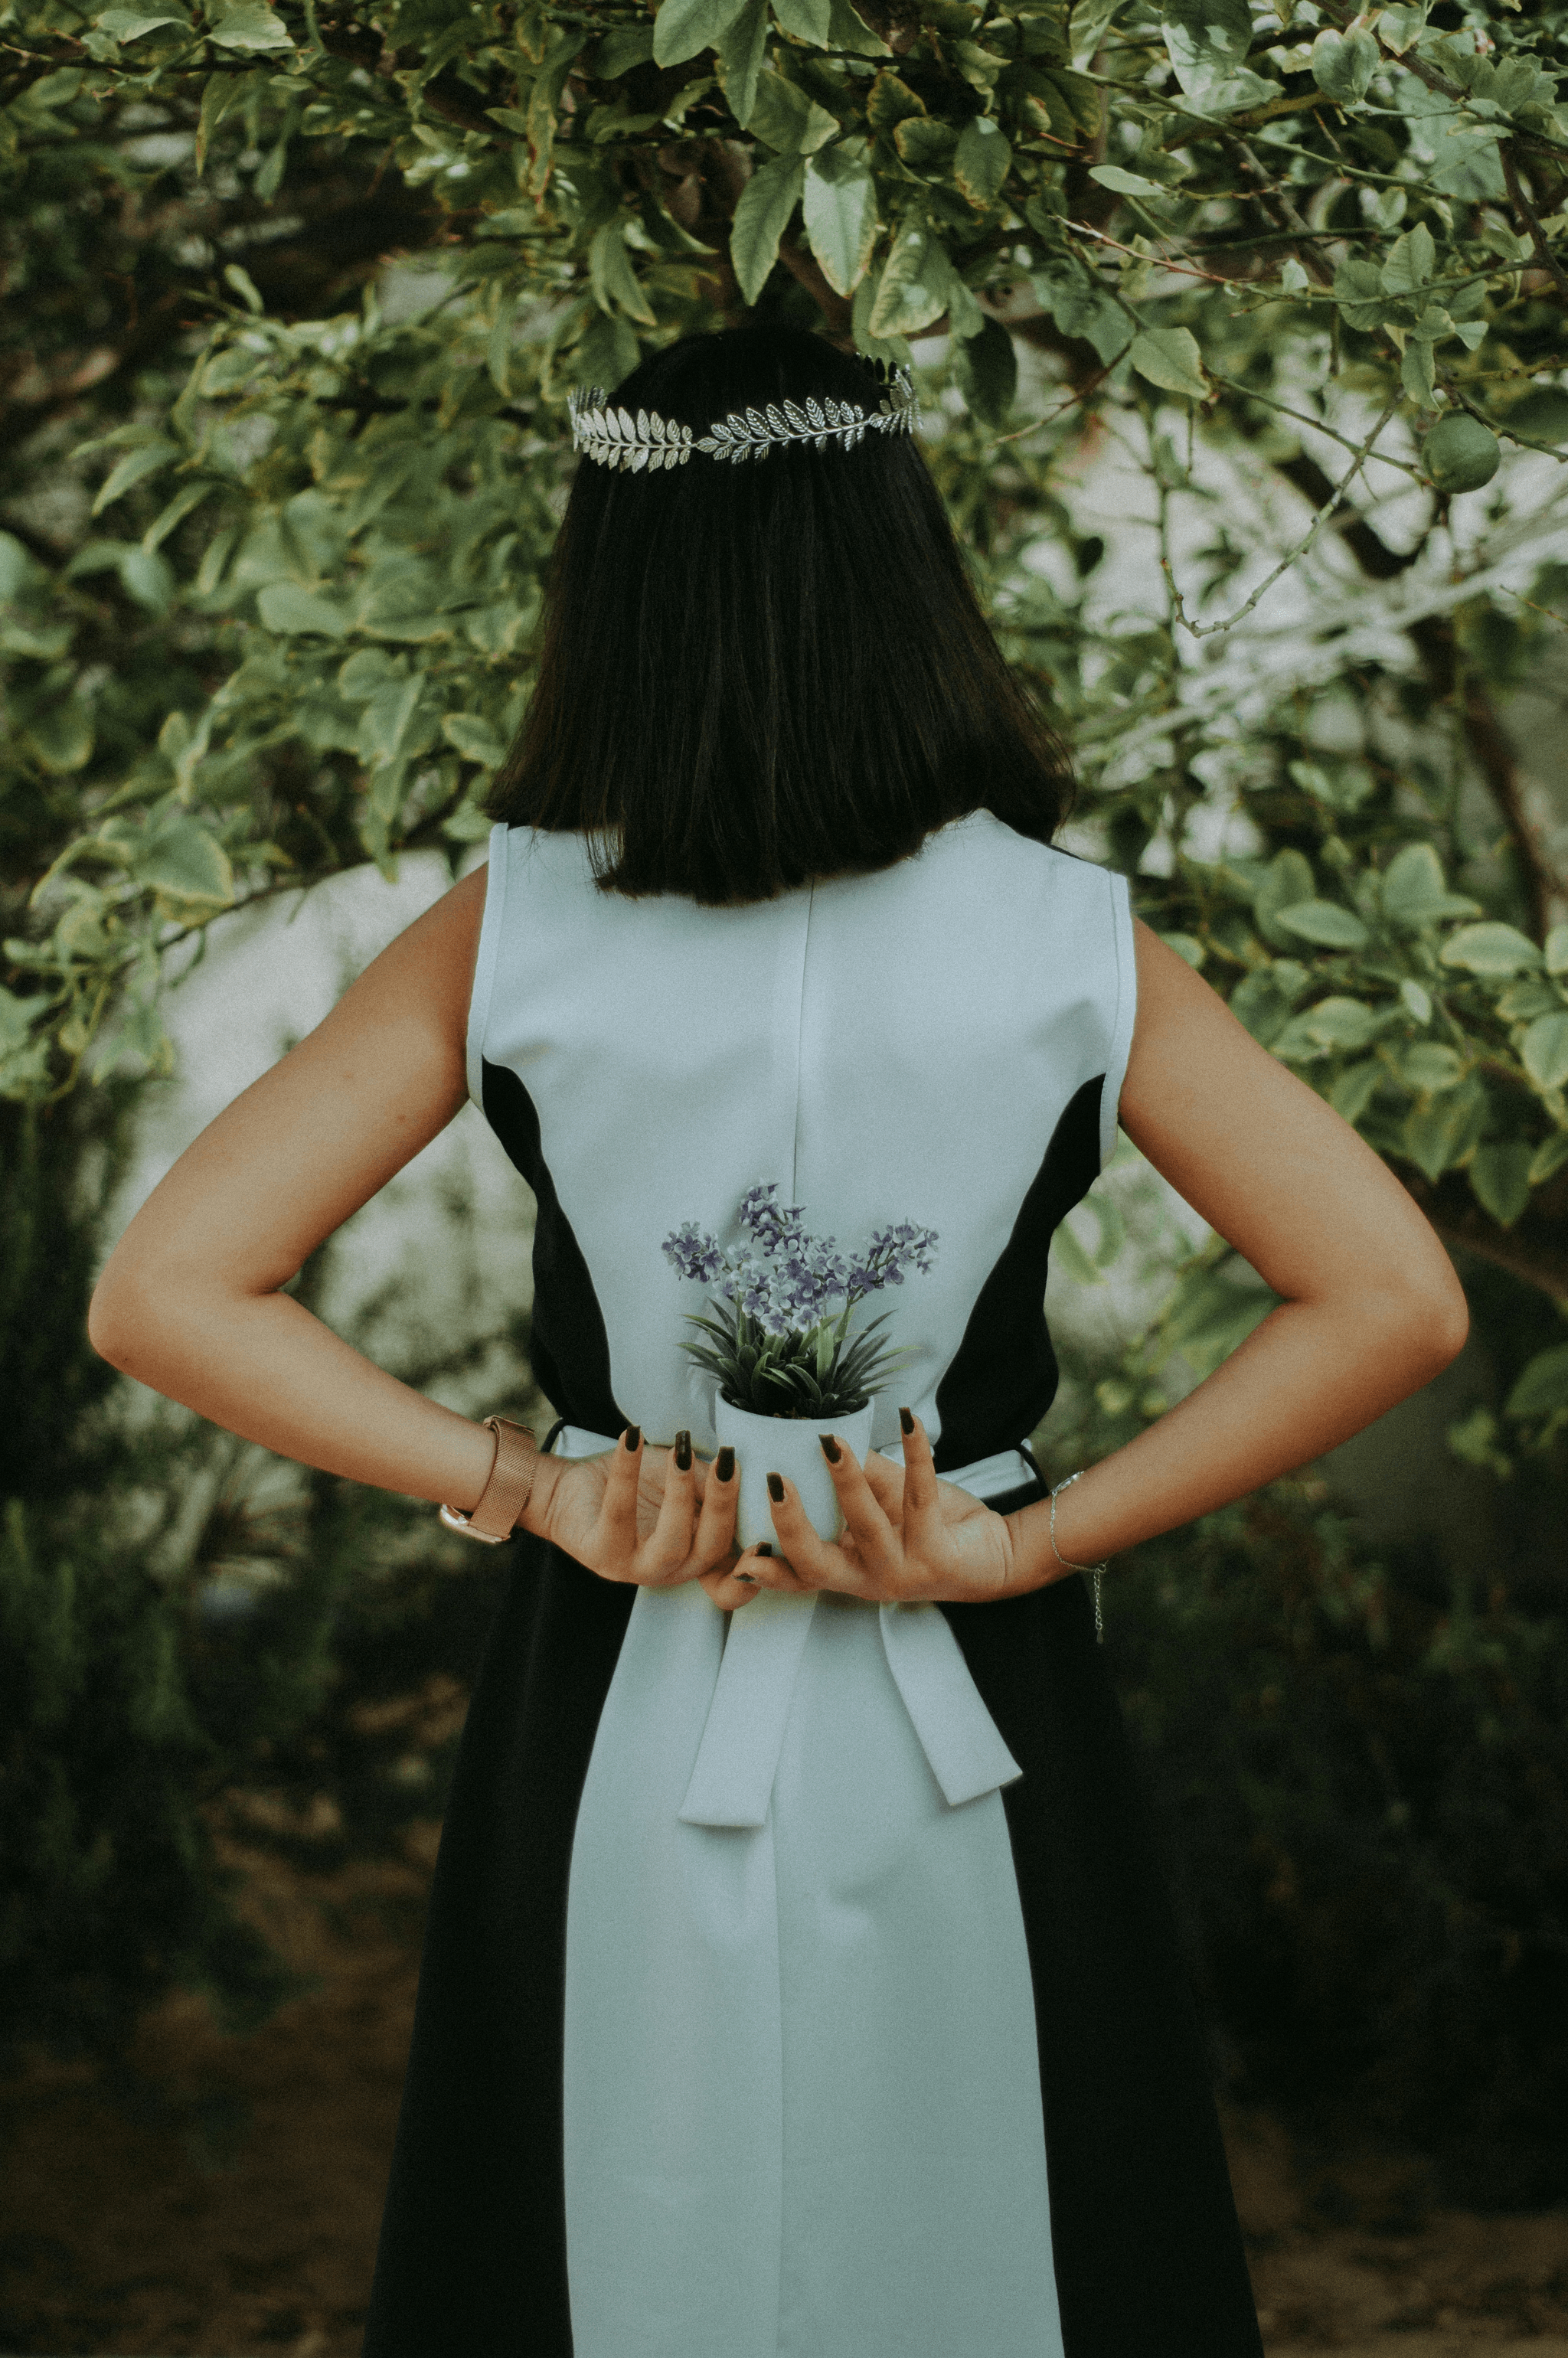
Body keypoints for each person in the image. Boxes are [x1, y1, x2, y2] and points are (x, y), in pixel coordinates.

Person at [88, 323, 1468, 2358]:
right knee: (1018, 2233)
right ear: (907, 577)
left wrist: (521, 1487)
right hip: (971, 1660)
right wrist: (1027, 1542)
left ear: (609, 597)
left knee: (608, 2226)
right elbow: (1396, 1296)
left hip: (622, 1633)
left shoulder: (515, 928)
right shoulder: (1073, 942)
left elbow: (164, 1290)